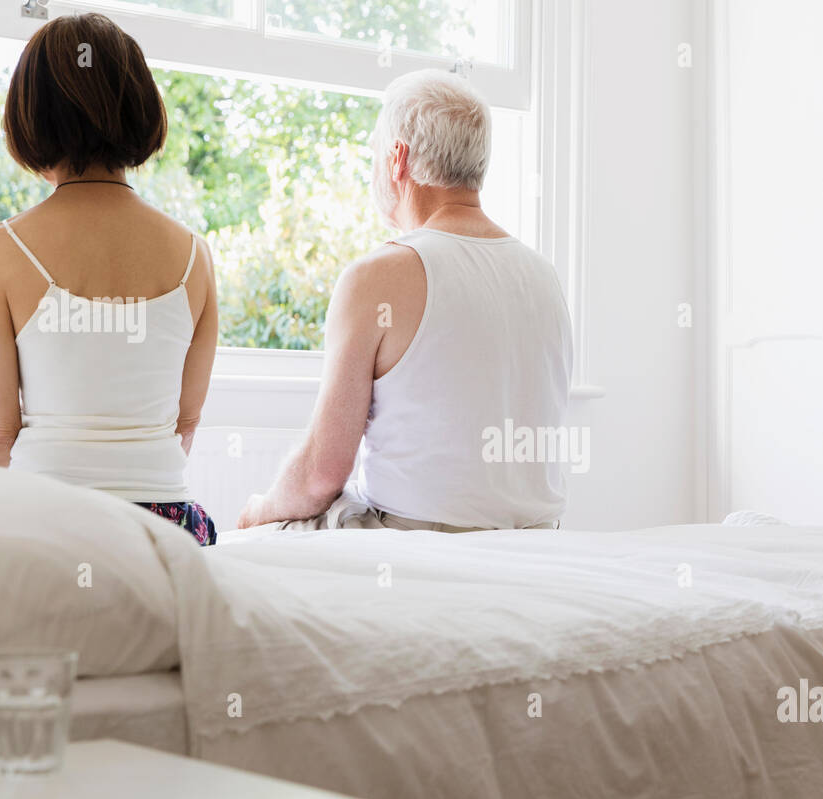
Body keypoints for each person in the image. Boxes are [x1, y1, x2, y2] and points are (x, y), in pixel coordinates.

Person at [238, 69, 573, 533]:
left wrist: (256, 512)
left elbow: (321, 475)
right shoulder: (545, 276)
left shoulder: (379, 275)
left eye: (375, 153)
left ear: (398, 159)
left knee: (264, 532)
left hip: (417, 543)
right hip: (538, 539)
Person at [0, 12, 219, 545]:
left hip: (49, 522)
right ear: (140, 107)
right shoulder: (196, 256)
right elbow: (185, 423)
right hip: (165, 528)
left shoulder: (0, 251)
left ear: (30, 116)